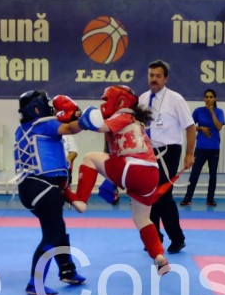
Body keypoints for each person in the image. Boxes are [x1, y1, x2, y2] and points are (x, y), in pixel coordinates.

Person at [62, 85, 171, 276]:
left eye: (106, 100)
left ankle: (80, 200)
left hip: (132, 168)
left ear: (120, 101)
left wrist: (79, 119)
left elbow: (98, 125)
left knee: (89, 158)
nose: (103, 104)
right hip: (151, 175)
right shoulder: (136, 121)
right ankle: (159, 257)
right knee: (142, 218)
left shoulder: (122, 115)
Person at [13, 90, 87, 295]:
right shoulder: (45, 124)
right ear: (37, 108)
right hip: (44, 187)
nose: (51, 107)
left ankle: (67, 271)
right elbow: (72, 128)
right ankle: (35, 284)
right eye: (46, 104)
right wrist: (85, 116)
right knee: (51, 234)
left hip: (30, 188)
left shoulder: (23, 129)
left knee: (58, 228)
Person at [139, 60, 194, 254]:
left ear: (165, 78)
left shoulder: (175, 99)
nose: (154, 79)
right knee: (148, 197)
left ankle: (177, 238)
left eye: (158, 76)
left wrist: (189, 154)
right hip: (147, 152)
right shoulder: (143, 99)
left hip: (169, 152)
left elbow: (190, 127)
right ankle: (154, 238)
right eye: (151, 75)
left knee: (163, 197)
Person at [181, 89, 225, 207]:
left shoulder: (219, 111)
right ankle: (187, 198)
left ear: (214, 99)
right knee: (194, 173)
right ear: (204, 98)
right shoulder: (198, 111)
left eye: (211, 97)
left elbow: (219, 126)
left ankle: (210, 199)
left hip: (214, 148)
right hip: (200, 148)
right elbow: (189, 127)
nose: (209, 99)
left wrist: (212, 112)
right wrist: (201, 128)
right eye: (206, 97)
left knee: (213, 175)